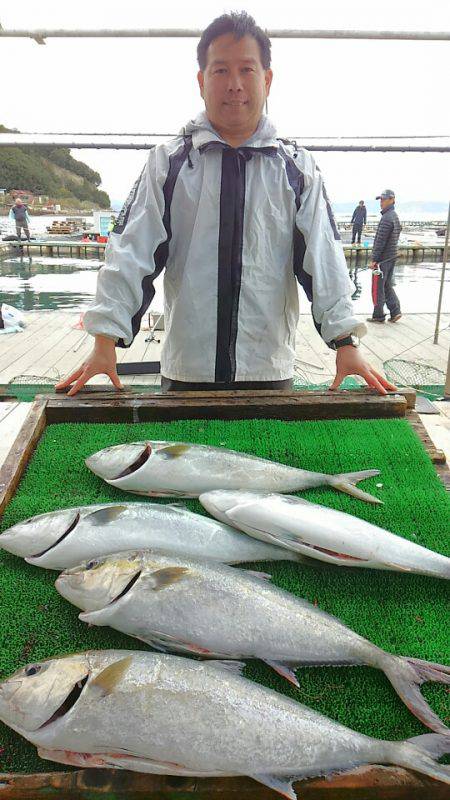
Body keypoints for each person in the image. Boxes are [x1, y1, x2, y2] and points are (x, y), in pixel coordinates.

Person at [56, 12, 396, 397]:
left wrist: (345, 342)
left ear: (267, 79)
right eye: (220, 71)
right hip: (187, 371)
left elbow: (323, 257)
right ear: (201, 82)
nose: (234, 85)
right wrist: (105, 340)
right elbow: (131, 252)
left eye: (246, 69)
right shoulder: (168, 164)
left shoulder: (297, 169)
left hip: (269, 370)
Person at [367, 190, 402, 324]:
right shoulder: (394, 216)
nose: (381, 202)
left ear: (392, 200)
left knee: (378, 287)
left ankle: (378, 315)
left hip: (383, 260)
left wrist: (374, 260)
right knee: (387, 285)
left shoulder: (387, 218)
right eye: (380, 199)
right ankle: (395, 311)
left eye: (384, 199)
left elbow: (380, 241)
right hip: (391, 256)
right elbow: (397, 234)